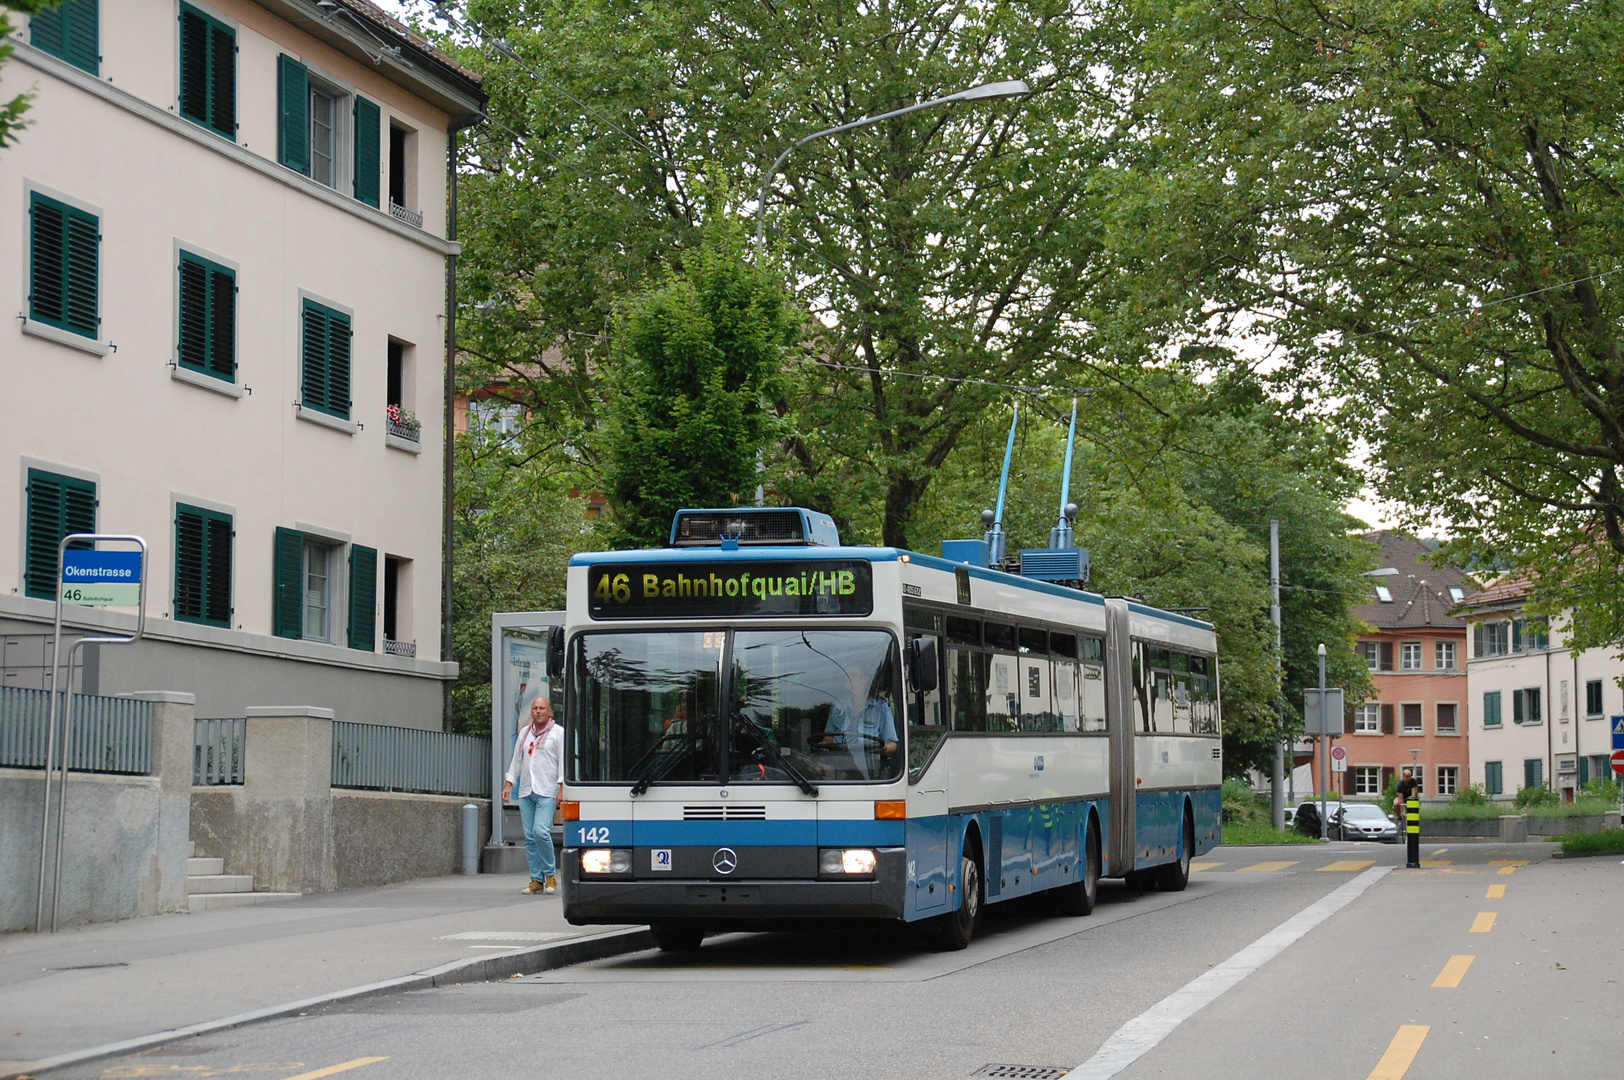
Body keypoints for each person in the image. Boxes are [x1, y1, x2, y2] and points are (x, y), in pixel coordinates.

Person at [503, 695, 564, 895]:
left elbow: (563, 761)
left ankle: (550, 875)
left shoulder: (557, 733)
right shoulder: (525, 733)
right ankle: (536, 879)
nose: (538, 711)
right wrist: (509, 782)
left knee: (541, 832)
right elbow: (517, 760)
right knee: (529, 837)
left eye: (542, 708)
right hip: (526, 790)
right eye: (535, 708)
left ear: (549, 712)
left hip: (546, 790)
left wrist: (562, 787)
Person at [820, 670, 898, 779]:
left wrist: (879, 750)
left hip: (870, 770)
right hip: (840, 770)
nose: (846, 678)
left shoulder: (880, 708)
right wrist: (826, 744)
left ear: (865, 679)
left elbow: (892, 745)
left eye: (851, 675)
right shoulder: (838, 706)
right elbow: (828, 737)